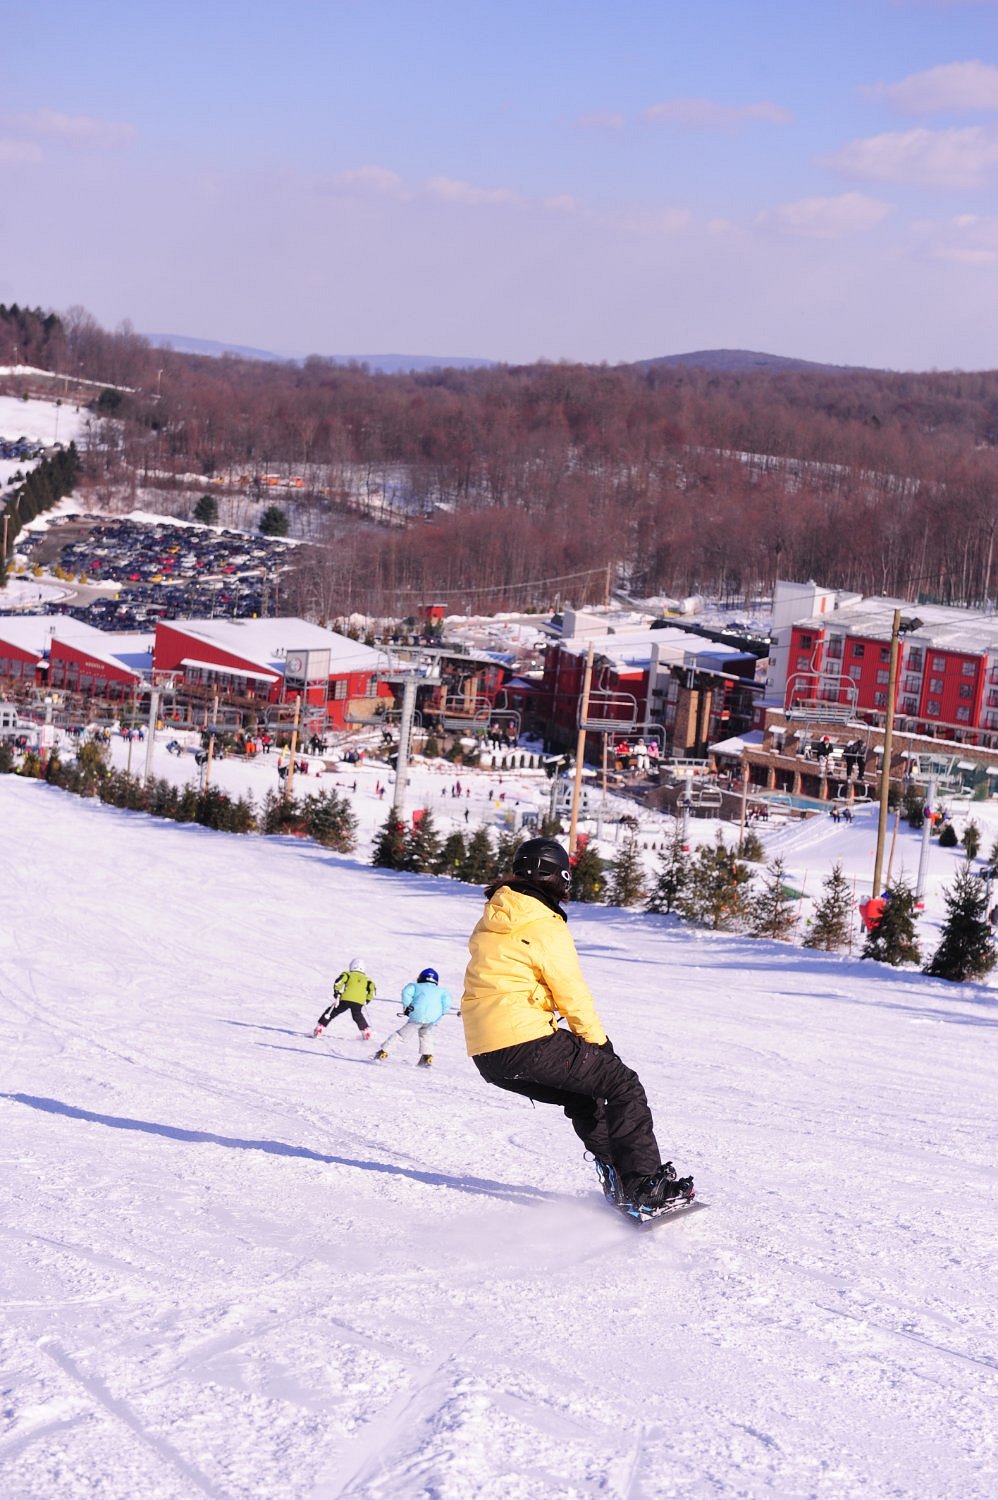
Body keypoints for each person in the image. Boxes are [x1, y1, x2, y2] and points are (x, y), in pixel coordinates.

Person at [460, 837, 693, 1214]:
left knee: (585, 1098)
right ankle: (645, 1187)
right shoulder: (543, 923)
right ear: (560, 876)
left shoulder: (493, 919)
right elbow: (571, 993)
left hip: (487, 1053)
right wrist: (599, 1045)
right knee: (622, 1084)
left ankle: (621, 1183)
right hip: (525, 1040)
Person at [374, 967, 452, 1068]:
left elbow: (406, 992)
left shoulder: (415, 986)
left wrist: (407, 1006)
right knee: (426, 1035)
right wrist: (441, 1013)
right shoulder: (442, 991)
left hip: (417, 1015)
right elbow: (447, 1003)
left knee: (402, 1035)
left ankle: (383, 1052)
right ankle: (427, 1057)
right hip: (433, 1018)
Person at [312, 958, 375, 1040]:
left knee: (332, 1011)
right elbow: (372, 990)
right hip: (359, 1002)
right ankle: (365, 1031)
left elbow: (339, 982)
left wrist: (337, 991)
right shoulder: (367, 979)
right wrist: (367, 1000)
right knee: (358, 1016)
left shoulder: (348, 974)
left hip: (346, 998)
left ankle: (320, 1028)